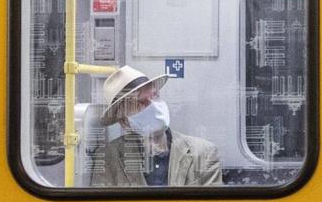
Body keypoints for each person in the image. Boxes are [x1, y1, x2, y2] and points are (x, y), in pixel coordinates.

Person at [91, 65, 223, 187]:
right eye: (140, 103)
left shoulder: (204, 153)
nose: (153, 106)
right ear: (125, 122)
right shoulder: (107, 158)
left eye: (155, 96)